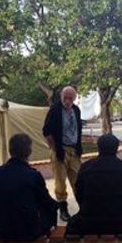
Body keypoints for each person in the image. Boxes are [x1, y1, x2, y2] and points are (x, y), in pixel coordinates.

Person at [66, 134, 122, 235]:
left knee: (72, 224)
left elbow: (79, 194)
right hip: (121, 221)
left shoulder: (86, 167)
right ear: (116, 148)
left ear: (98, 147)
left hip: (89, 221)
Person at [0, 134, 58, 242]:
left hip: (3, 230)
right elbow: (46, 201)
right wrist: (57, 205)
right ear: (29, 151)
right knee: (52, 207)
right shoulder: (33, 175)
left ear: (10, 150)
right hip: (28, 231)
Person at [42, 86, 82, 222]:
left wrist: (79, 147)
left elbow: (79, 130)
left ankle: (84, 207)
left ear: (75, 98)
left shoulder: (76, 110)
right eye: (65, 98)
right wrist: (55, 149)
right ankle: (63, 210)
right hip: (60, 150)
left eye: (71, 98)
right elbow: (46, 131)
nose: (68, 101)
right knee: (60, 182)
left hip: (74, 150)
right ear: (61, 97)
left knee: (79, 180)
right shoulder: (55, 110)